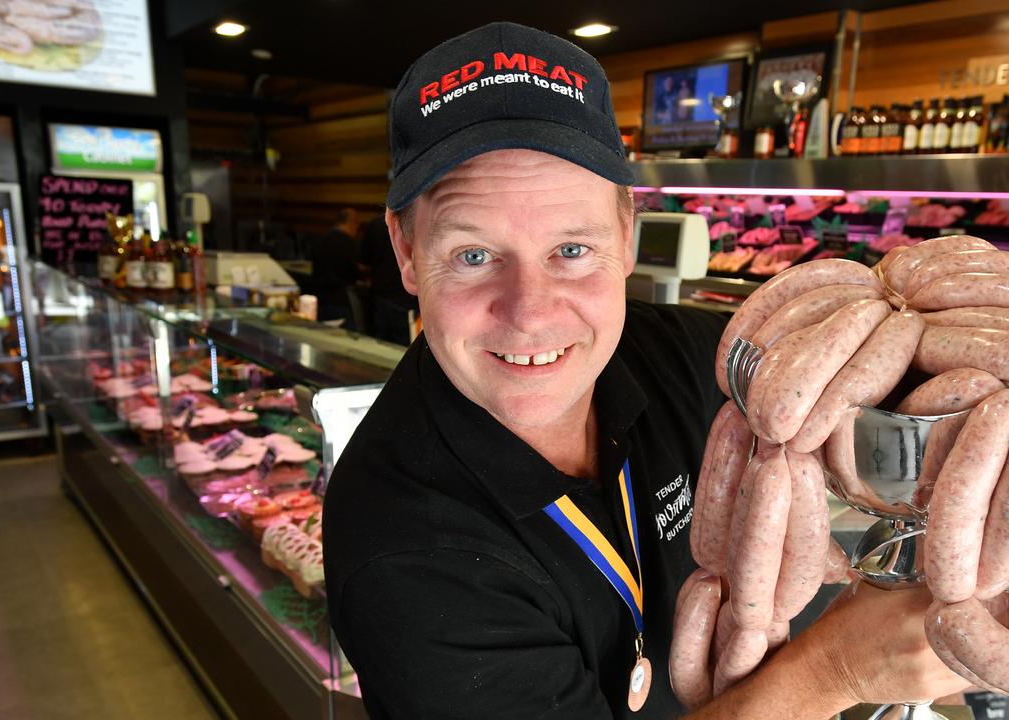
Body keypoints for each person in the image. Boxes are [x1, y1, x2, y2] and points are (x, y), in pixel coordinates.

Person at [324, 21, 967, 719]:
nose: (531, 314)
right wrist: (835, 671)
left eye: (571, 249)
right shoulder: (402, 544)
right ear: (406, 251)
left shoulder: (687, 353)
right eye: (474, 255)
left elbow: (898, 386)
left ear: (627, 235)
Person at [358, 215, 418, 345]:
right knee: (406, 348)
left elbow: (363, 264)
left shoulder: (374, 225)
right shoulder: (415, 221)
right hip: (406, 298)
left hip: (380, 294)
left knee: (381, 344)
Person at [309, 207, 361, 327]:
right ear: (352, 223)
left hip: (319, 298)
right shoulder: (348, 243)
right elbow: (354, 272)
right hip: (340, 299)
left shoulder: (321, 240)